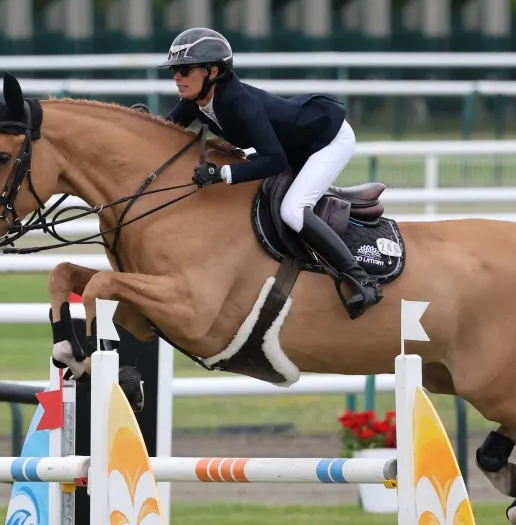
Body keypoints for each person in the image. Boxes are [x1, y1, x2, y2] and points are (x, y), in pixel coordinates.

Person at [157, 27, 381, 320]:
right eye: (174, 70)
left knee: (293, 210)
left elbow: (275, 161)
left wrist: (221, 173)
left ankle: (363, 281)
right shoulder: (195, 102)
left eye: (185, 70)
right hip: (292, 144)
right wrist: (140, 121)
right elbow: (164, 130)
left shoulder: (241, 104)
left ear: (212, 71)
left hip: (328, 138)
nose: (176, 77)